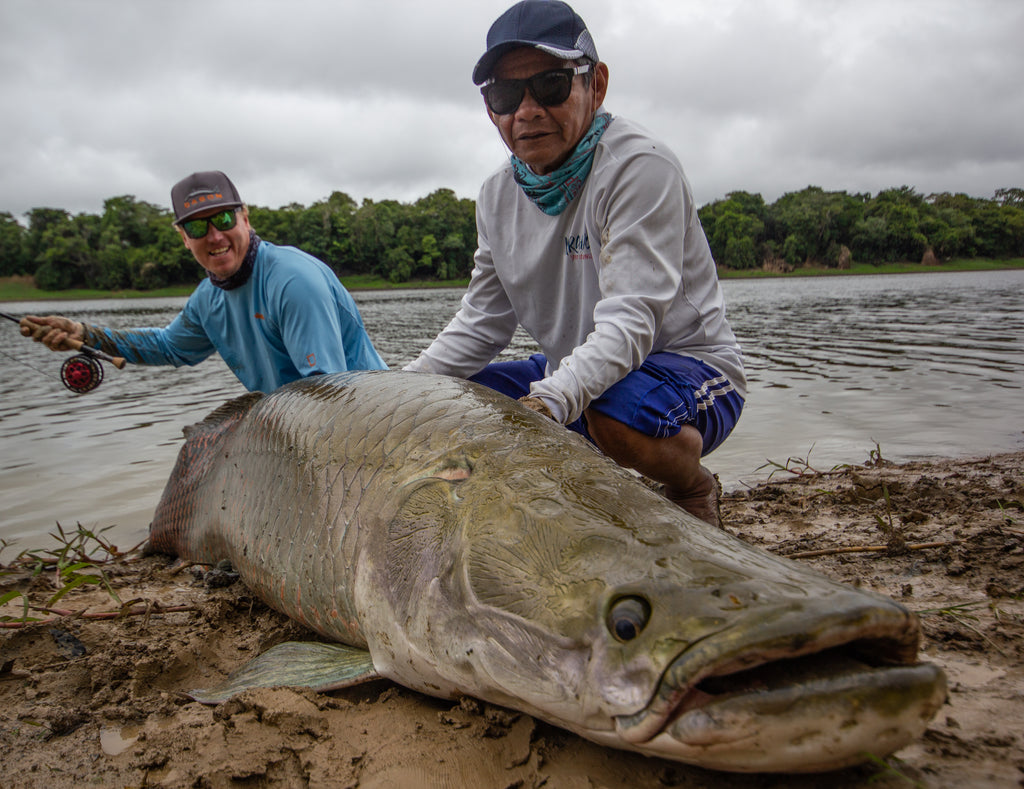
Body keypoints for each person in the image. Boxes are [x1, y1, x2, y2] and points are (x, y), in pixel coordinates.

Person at [404, 0, 746, 526]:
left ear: (597, 83)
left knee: (608, 408)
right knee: (455, 404)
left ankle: (692, 485)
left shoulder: (638, 167)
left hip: (686, 368)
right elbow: (480, 325)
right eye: (503, 93)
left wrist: (548, 404)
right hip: (572, 370)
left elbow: (632, 322)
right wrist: (400, 392)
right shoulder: (496, 195)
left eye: (549, 85)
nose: (526, 109)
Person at [22, 170, 387, 392]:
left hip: (369, 421)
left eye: (224, 219)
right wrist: (85, 334)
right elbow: (169, 347)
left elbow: (328, 389)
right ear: (184, 237)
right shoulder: (207, 299)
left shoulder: (293, 281)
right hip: (301, 419)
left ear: (245, 218)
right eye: (197, 226)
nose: (214, 236)